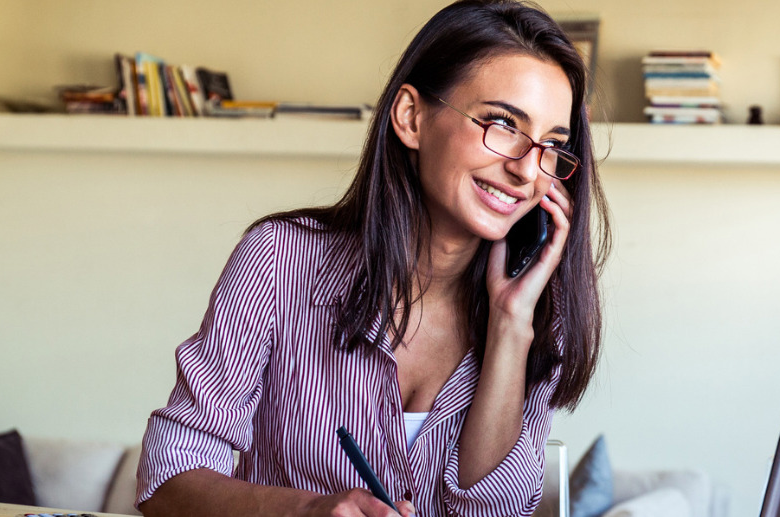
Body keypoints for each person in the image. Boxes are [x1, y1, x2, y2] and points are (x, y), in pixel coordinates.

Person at [133, 1, 610, 516]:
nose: (525, 170)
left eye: (550, 145)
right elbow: (167, 479)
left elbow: (492, 510)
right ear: (411, 118)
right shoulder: (279, 259)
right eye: (501, 123)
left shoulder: (537, 308)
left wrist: (511, 327)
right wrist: (308, 512)